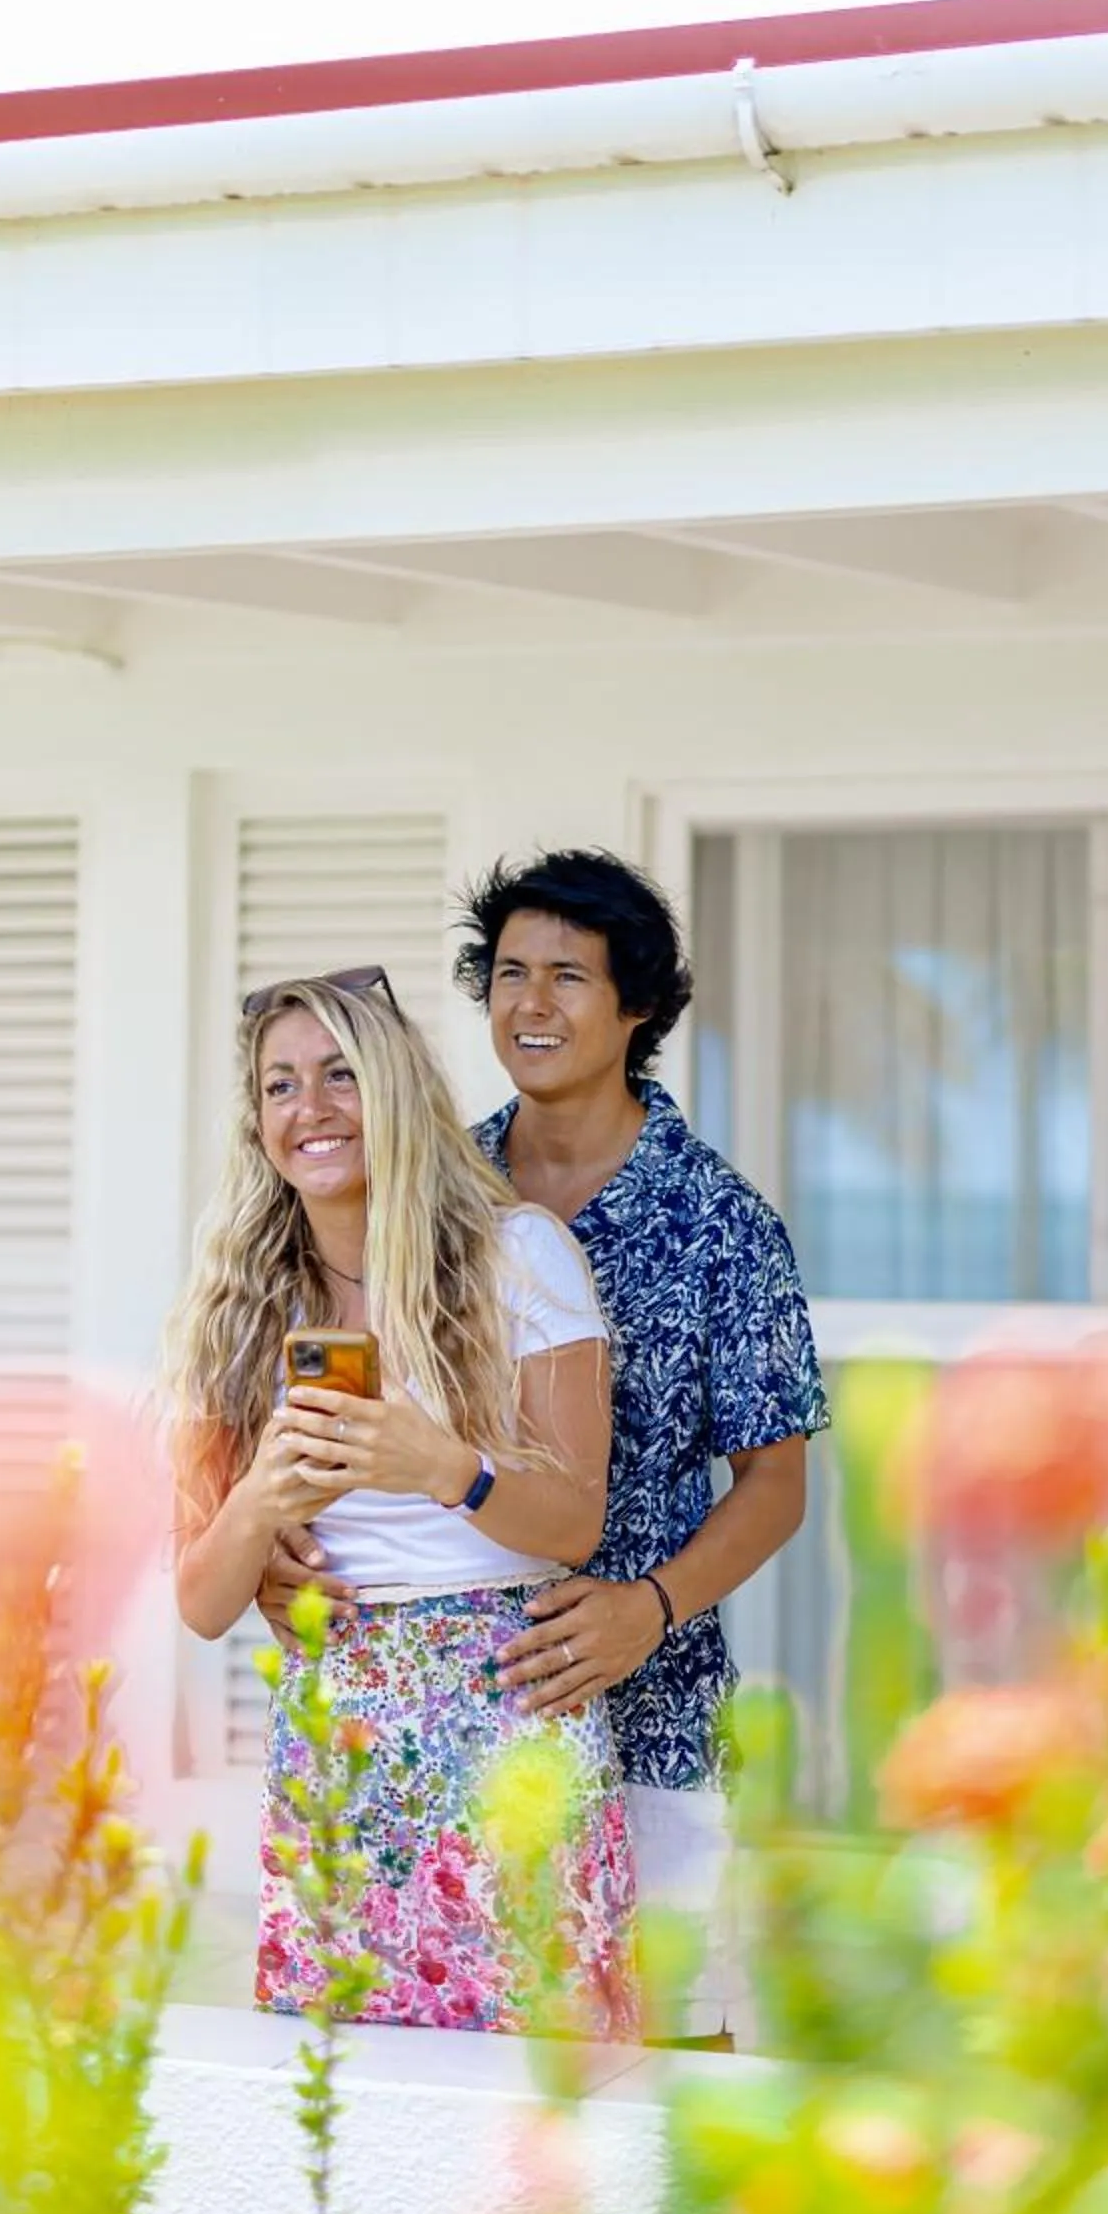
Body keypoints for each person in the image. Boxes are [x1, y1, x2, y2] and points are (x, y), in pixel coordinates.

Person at [263, 854, 828, 2042]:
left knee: (669, 2060)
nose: (530, 1003)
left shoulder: (718, 1221)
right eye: (509, 972)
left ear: (638, 1009)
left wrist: (650, 1606)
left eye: (568, 976)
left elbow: (775, 1486)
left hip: (650, 1699)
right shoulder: (422, 1179)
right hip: (452, 1714)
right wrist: (280, 1551)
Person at [165, 968, 636, 2037]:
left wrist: (440, 1465)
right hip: (343, 1730)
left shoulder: (519, 1256)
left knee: (539, 2082)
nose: (311, 1109)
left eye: (340, 1076)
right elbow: (198, 1598)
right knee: (352, 2084)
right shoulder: (241, 1303)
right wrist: (258, 1502)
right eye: (279, 1087)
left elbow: (574, 1524)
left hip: (512, 1709)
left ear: (396, 1096)